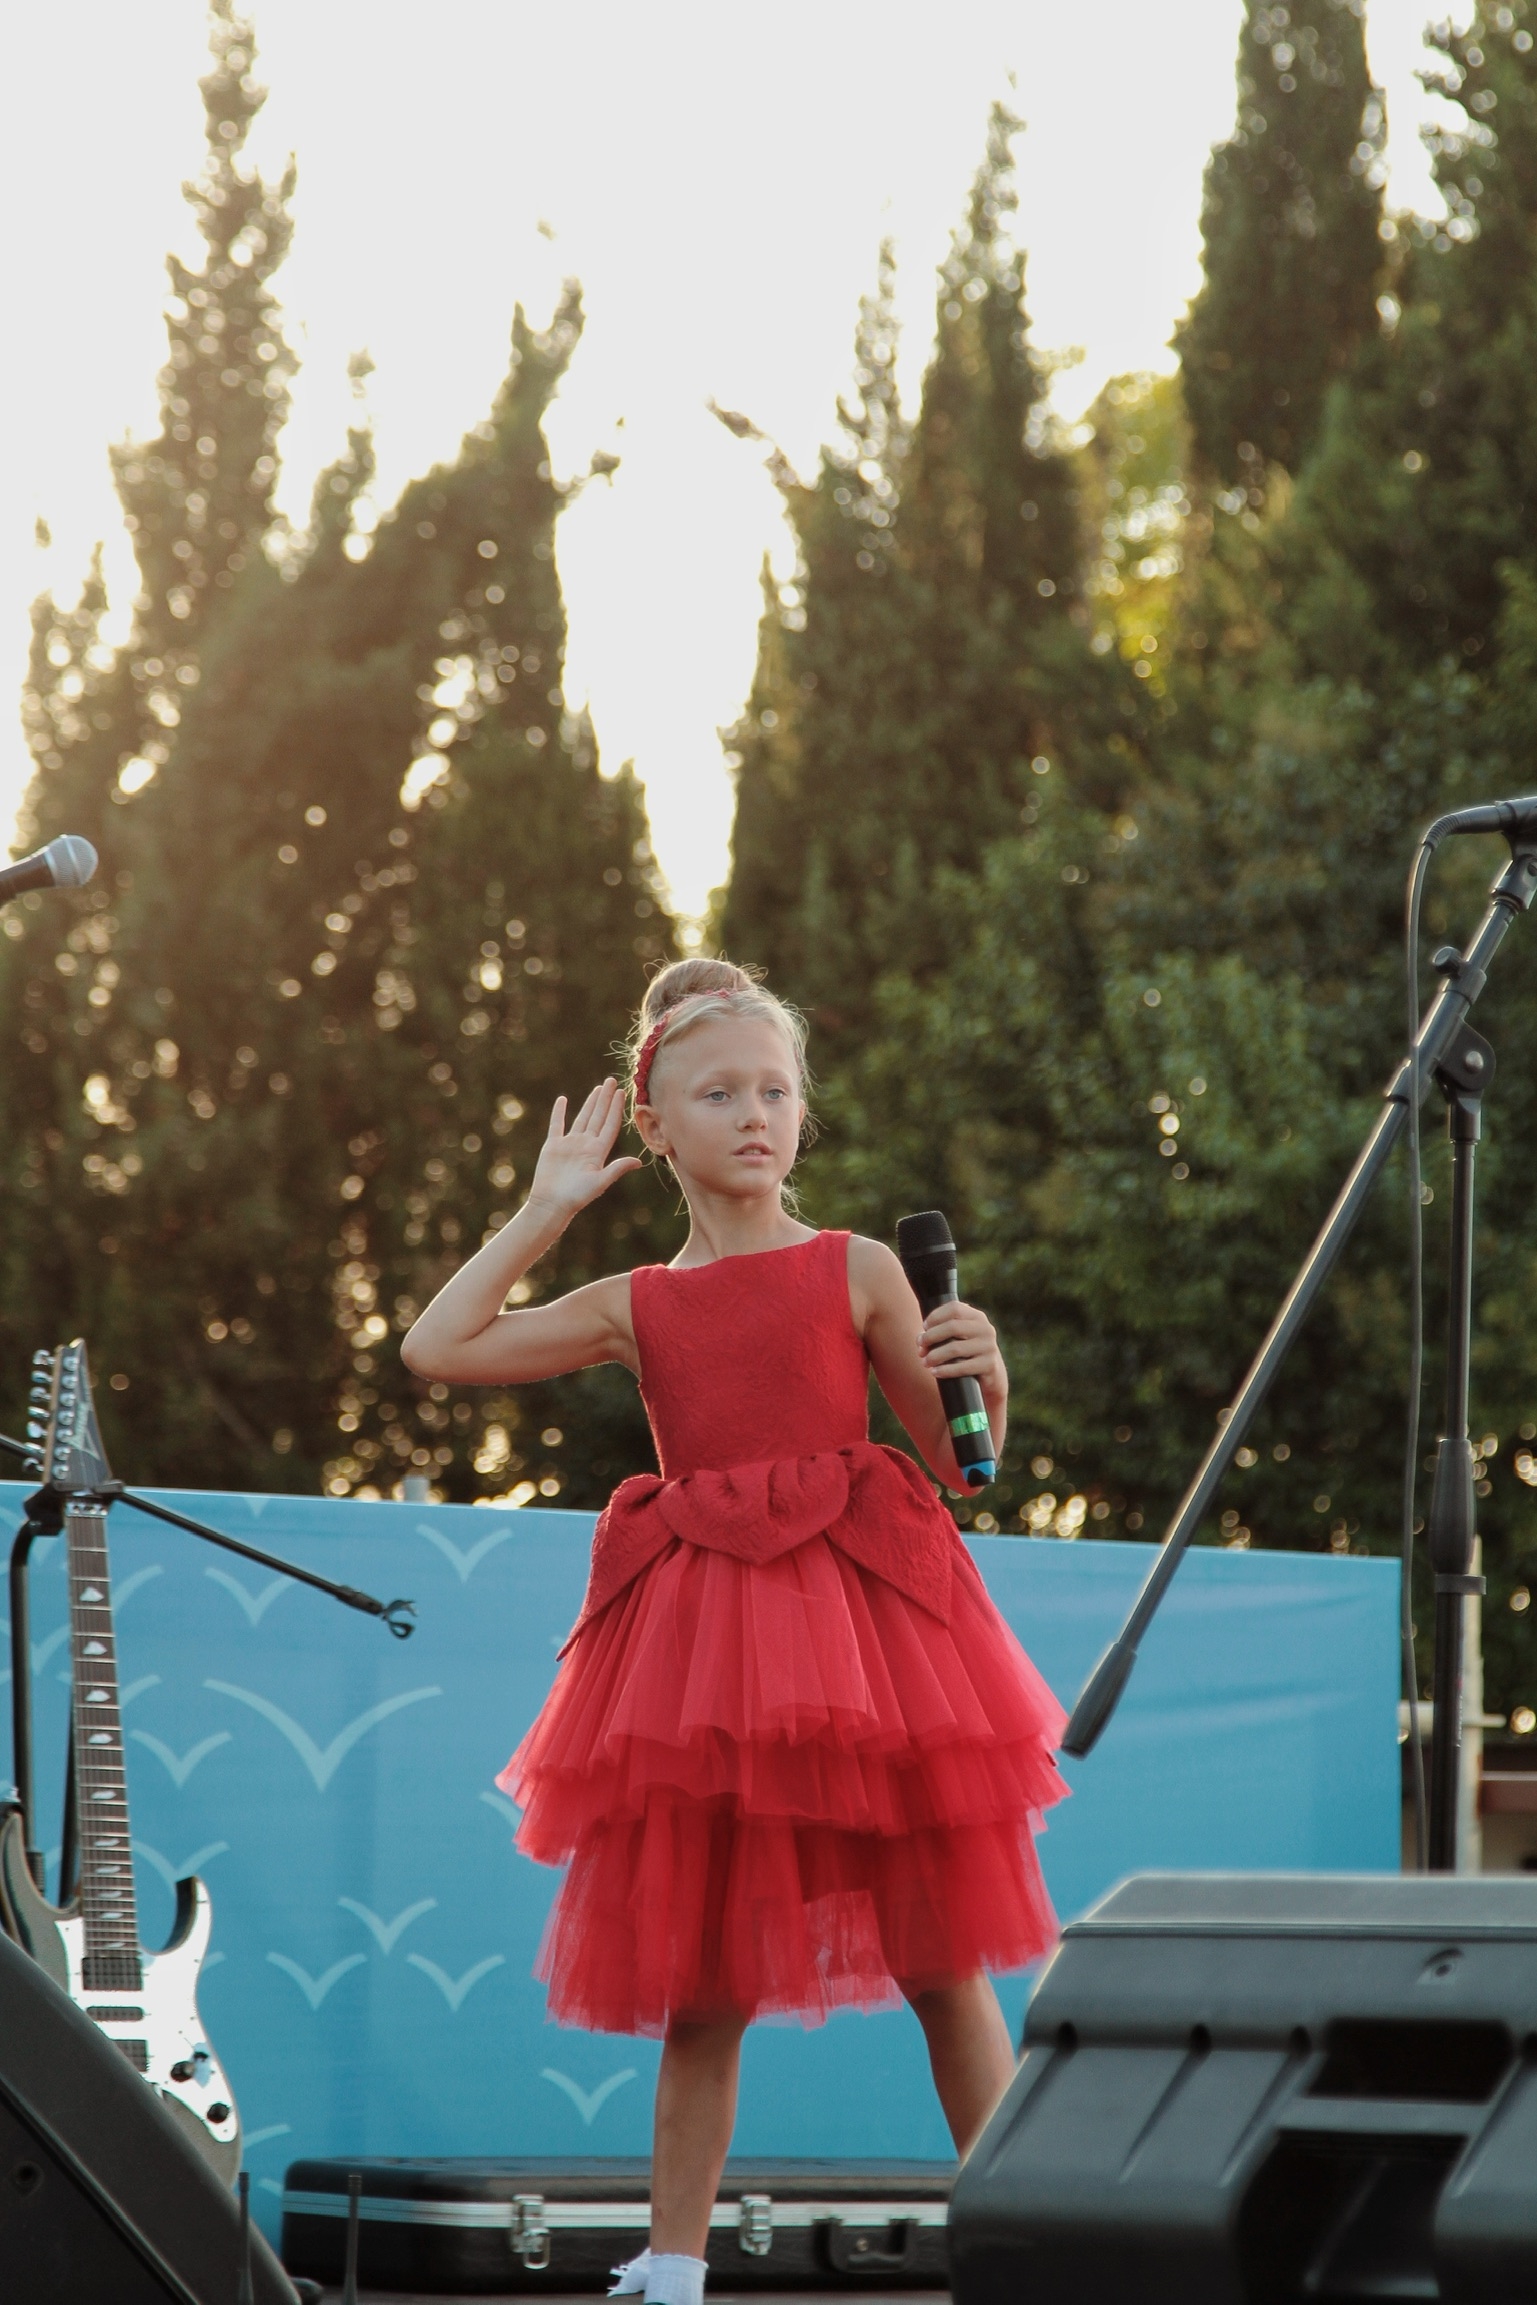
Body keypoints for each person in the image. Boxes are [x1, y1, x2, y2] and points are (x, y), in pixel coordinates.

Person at [402, 959, 1066, 2305]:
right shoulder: (636, 1302)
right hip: (708, 1669)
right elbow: (438, 1346)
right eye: (719, 1094)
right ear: (654, 1125)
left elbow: (960, 1465)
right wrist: (545, 1208)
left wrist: (985, 1374)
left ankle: (1034, 2250)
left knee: (942, 1965)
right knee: (704, 1984)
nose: (756, 1115)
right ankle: (672, 2266)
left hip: (871, 1652)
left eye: (776, 1090)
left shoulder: (857, 1267)